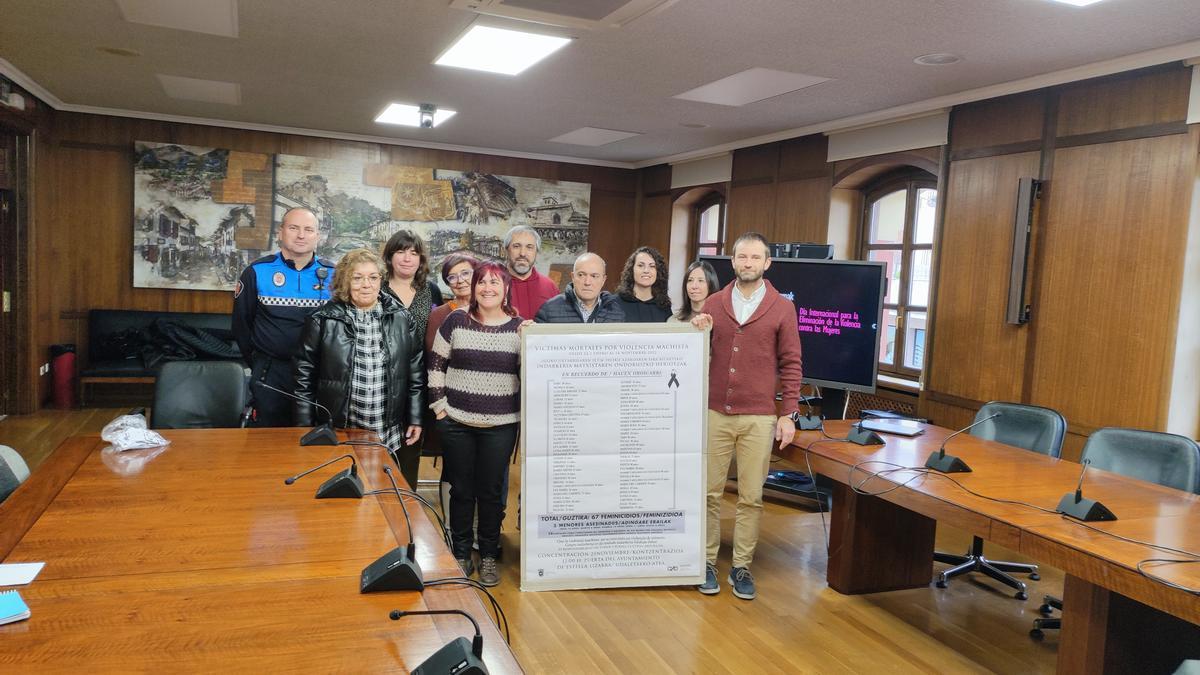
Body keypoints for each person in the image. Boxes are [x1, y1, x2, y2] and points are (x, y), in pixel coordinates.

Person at [692, 232, 802, 601]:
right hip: (715, 413)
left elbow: (791, 364)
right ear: (733, 261)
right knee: (707, 494)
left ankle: (741, 566)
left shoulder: (781, 308)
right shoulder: (714, 302)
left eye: (755, 258)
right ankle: (706, 562)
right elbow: (695, 355)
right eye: (742, 257)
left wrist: (788, 413)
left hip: (758, 417)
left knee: (751, 496)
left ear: (767, 263)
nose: (748, 263)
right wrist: (696, 333)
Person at [293, 248, 425, 488]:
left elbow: (415, 373)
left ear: (381, 281)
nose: (366, 284)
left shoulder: (402, 318)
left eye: (373, 277)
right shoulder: (322, 320)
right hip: (342, 428)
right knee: (344, 495)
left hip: (387, 429)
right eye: (357, 277)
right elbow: (303, 378)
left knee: (383, 492)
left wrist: (415, 417)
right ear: (345, 281)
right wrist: (304, 428)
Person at [427, 261, 523, 586]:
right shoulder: (456, 321)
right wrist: (440, 408)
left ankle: (491, 555)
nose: (488, 288)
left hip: (501, 425)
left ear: (506, 288)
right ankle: (462, 552)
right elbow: (436, 363)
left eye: (495, 283)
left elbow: (529, 374)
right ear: (475, 286)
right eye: (482, 282)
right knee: (462, 490)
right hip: (457, 423)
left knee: (492, 493)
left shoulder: (520, 329)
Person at [232, 207, 335, 427]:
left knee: (313, 438)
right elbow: (241, 325)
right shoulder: (257, 272)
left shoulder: (334, 275)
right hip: (271, 373)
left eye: (308, 229)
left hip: (319, 372)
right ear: (280, 232)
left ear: (317, 236)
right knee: (268, 441)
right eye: (293, 228)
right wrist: (261, 363)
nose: (301, 235)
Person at [381, 230, 443, 341]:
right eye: (400, 252)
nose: (407, 259)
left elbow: (440, 331)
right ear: (390, 256)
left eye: (414, 253)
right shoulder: (377, 288)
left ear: (421, 259)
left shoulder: (432, 290)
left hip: (423, 358)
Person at [534, 252, 625, 323]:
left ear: (603, 280)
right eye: (581, 275)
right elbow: (535, 344)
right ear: (573, 277)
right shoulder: (549, 310)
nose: (587, 282)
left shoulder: (616, 311)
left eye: (594, 276)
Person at [503, 225, 559, 319]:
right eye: (516, 246)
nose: (522, 253)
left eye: (529, 247)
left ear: (536, 252)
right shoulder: (492, 286)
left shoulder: (550, 287)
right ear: (506, 250)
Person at [425, 252, 477, 352]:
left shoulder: (490, 309)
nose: (460, 280)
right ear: (448, 283)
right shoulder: (437, 315)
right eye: (452, 277)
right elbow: (432, 358)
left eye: (465, 273)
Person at [615, 246, 672, 322]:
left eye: (652, 266)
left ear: (658, 272)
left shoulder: (664, 306)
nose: (646, 270)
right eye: (640, 265)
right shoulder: (615, 303)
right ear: (632, 269)